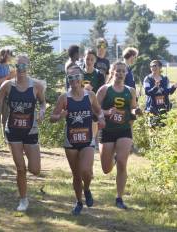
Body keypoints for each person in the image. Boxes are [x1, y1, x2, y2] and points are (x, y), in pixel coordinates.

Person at [0, 54, 46, 211]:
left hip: (30, 131)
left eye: (24, 66)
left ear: (28, 68)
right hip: (13, 130)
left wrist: (42, 111)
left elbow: (42, 102)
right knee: (20, 168)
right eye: (18, 66)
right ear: (15, 67)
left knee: (35, 170)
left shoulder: (36, 86)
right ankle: (23, 200)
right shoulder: (8, 85)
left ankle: (32, 155)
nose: (21, 69)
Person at [50, 65, 105, 215]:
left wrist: (101, 119)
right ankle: (79, 202)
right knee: (76, 174)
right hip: (71, 141)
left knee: (86, 171)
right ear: (68, 80)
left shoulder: (90, 95)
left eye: (76, 77)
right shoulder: (64, 98)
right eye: (70, 78)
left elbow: (99, 111)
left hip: (87, 139)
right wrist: (60, 116)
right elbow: (52, 117)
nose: (73, 80)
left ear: (81, 78)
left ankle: (87, 189)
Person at [97, 61, 140, 209]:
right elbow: (94, 110)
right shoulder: (104, 90)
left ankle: (119, 198)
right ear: (112, 72)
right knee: (106, 169)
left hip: (124, 130)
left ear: (126, 73)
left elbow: (133, 108)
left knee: (122, 162)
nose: (121, 73)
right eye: (118, 71)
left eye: (123, 71)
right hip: (107, 131)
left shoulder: (131, 91)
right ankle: (112, 160)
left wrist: (136, 112)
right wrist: (108, 112)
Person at [0, 48, 15, 147]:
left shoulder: (7, 66)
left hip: (6, 94)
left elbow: (8, 80)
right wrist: (9, 76)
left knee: (6, 119)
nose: (11, 56)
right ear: (4, 55)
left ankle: (7, 140)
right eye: (9, 54)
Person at [83, 49, 105, 149]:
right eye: (87, 59)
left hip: (94, 103)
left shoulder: (99, 75)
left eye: (92, 59)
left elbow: (102, 91)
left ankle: (93, 140)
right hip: (80, 101)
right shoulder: (78, 73)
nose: (89, 61)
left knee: (94, 120)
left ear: (95, 61)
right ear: (84, 58)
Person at [143, 60, 177, 127]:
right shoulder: (148, 79)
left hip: (164, 107)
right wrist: (155, 87)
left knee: (164, 127)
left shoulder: (165, 79)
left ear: (160, 67)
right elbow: (147, 92)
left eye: (155, 65)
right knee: (153, 127)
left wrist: (174, 87)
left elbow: (169, 92)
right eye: (151, 66)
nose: (153, 67)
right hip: (152, 108)